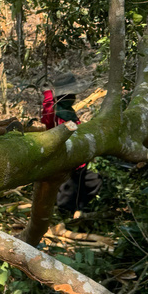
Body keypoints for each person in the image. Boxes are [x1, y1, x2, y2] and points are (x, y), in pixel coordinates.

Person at [41, 73, 101, 213]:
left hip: (78, 158)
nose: (74, 98)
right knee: (67, 191)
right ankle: (64, 214)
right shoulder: (55, 111)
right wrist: (48, 93)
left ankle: (79, 209)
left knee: (92, 181)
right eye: (71, 95)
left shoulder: (68, 111)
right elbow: (47, 114)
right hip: (65, 159)